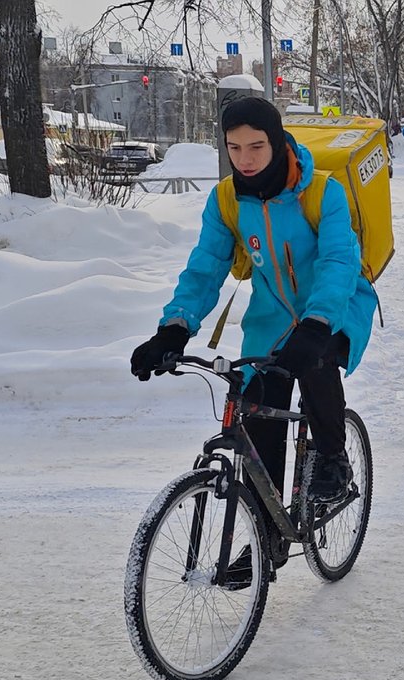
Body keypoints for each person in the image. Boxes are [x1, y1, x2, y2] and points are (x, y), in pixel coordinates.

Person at [129, 97, 377, 507]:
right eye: (234, 147)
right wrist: (173, 328)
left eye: (256, 146)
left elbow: (339, 261)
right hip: (272, 317)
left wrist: (317, 324)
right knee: (259, 417)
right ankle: (266, 543)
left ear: (277, 142)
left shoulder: (321, 194)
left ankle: (333, 457)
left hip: (338, 305)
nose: (244, 159)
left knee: (316, 366)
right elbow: (206, 266)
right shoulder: (227, 200)